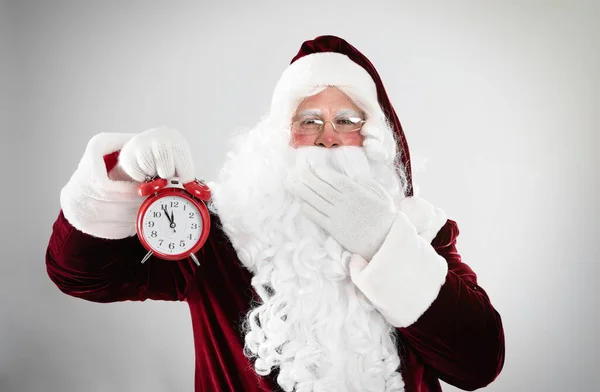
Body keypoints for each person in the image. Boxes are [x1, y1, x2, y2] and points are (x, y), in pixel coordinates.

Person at [46, 35, 505, 392]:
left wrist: (384, 243)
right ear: (280, 137)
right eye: (309, 120)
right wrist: (126, 170)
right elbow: (81, 273)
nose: (328, 136)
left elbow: (479, 362)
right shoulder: (219, 235)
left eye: (346, 120)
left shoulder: (422, 232)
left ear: (374, 137)